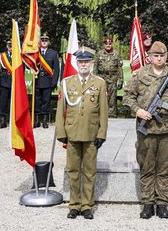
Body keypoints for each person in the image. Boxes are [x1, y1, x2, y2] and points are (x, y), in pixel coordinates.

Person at [124, 41, 168, 220]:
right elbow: (128, 96)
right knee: (146, 167)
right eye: (156, 55)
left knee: (164, 168)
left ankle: (162, 203)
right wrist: (138, 110)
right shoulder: (140, 75)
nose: (159, 58)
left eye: (162, 55)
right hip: (146, 131)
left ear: (166, 56)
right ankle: (147, 204)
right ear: (150, 56)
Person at [56, 48, 108, 220]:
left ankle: (86, 205)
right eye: (81, 61)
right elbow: (60, 110)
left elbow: (103, 111)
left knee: (89, 171)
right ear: (76, 63)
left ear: (91, 63)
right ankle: (74, 205)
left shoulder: (99, 83)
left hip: (91, 133)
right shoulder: (67, 82)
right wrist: (61, 132)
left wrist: (101, 133)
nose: (84, 64)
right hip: (72, 133)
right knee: (72, 170)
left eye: (86, 61)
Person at [35, 35, 61, 129]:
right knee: (37, 100)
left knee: (46, 101)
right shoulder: (35, 53)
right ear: (40, 42)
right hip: (37, 80)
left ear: (49, 42)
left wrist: (54, 81)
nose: (44, 42)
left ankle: (45, 121)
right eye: (42, 40)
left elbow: (56, 69)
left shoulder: (53, 54)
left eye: (46, 40)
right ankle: (37, 120)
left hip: (47, 81)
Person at [95, 36, 124, 115]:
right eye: (106, 43)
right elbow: (95, 68)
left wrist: (121, 80)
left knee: (112, 98)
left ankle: (112, 116)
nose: (108, 45)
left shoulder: (116, 54)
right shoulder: (99, 54)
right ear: (104, 44)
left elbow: (119, 68)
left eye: (110, 43)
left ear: (112, 44)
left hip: (113, 79)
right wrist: (94, 80)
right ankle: (101, 114)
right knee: (102, 97)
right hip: (102, 79)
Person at [0, 39, 13, 128]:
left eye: (12, 46)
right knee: (3, 102)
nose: (11, 48)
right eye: (9, 46)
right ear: (7, 46)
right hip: (4, 82)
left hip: (14, 82)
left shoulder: (18, 56)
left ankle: (12, 121)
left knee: (13, 103)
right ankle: (3, 121)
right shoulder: (1, 56)